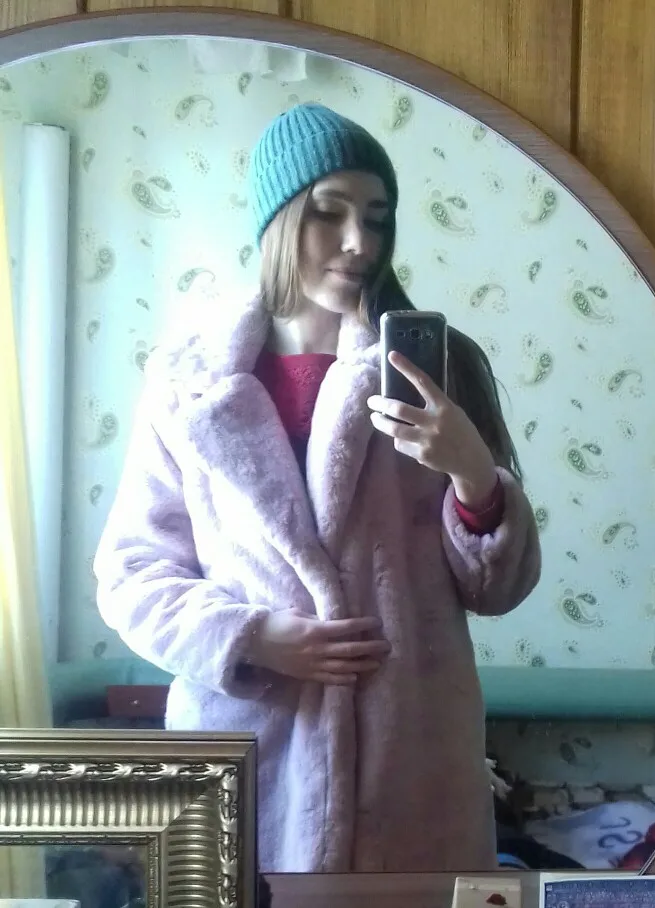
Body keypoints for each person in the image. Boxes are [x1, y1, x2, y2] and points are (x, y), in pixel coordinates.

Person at [94, 102, 541, 873]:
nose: (359, 242)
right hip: (246, 753)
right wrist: (251, 637)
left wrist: (474, 473)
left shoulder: (438, 366)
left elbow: (495, 589)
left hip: (411, 764)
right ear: (276, 220)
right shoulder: (186, 382)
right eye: (328, 213)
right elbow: (132, 571)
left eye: (377, 217)